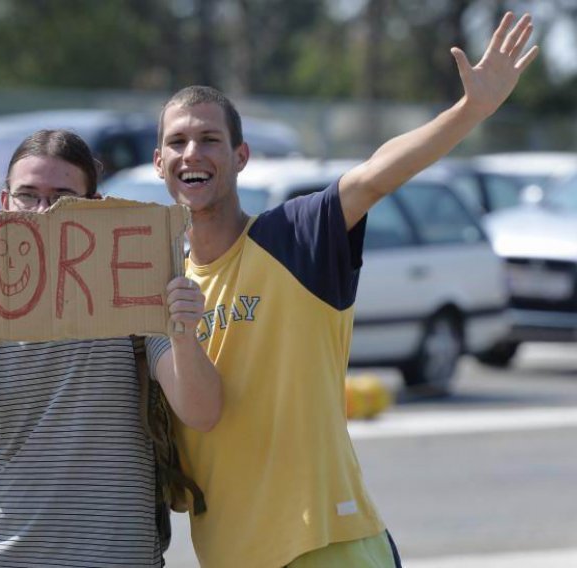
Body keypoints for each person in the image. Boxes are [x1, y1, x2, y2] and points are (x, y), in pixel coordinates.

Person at [153, 12, 537, 568]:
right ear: (159, 162)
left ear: (240, 157)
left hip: (329, 545)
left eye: (210, 139)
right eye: (178, 142)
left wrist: (470, 110)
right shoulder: (160, 283)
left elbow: (375, 174)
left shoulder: (295, 237)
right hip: (228, 553)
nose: (193, 153)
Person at [0, 128, 222, 568]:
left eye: (62, 197)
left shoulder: (136, 292)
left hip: (119, 558)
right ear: (4, 203)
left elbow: (203, 412)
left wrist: (182, 333)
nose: (43, 212)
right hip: (6, 557)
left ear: (95, 208)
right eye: (28, 195)